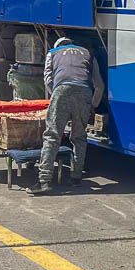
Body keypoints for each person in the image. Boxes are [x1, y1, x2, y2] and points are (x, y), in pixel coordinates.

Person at [29, 37, 105, 195]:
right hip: (84, 91)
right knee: (79, 137)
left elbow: (48, 79)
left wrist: (56, 96)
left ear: (58, 46)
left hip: (62, 89)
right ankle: (76, 178)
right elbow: (99, 85)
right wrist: (92, 105)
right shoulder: (87, 54)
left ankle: (44, 181)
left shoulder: (53, 53)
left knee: (52, 136)